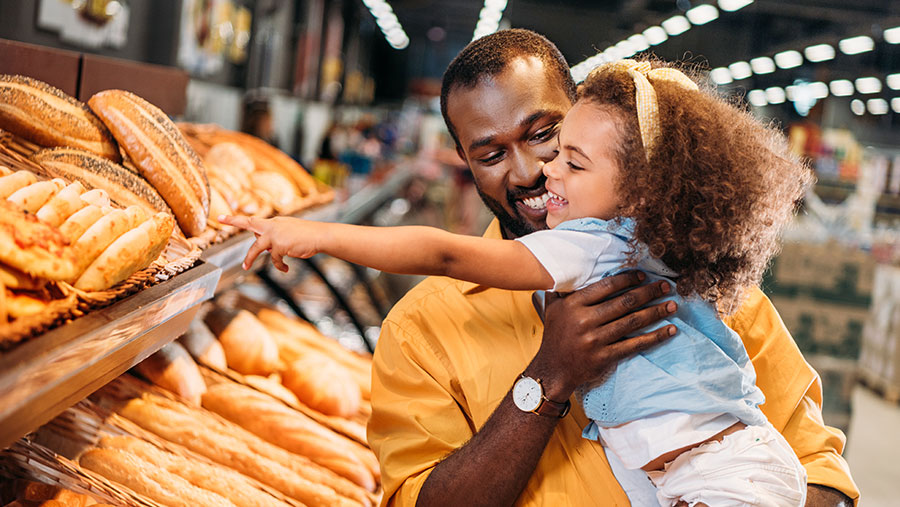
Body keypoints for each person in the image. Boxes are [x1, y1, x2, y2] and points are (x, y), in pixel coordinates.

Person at [233, 29, 858, 506]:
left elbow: (817, 472)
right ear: (464, 165)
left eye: (545, 134)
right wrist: (548, 379)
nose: (531, 170)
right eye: (490, 152)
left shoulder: (707, 286)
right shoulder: (420, 331)